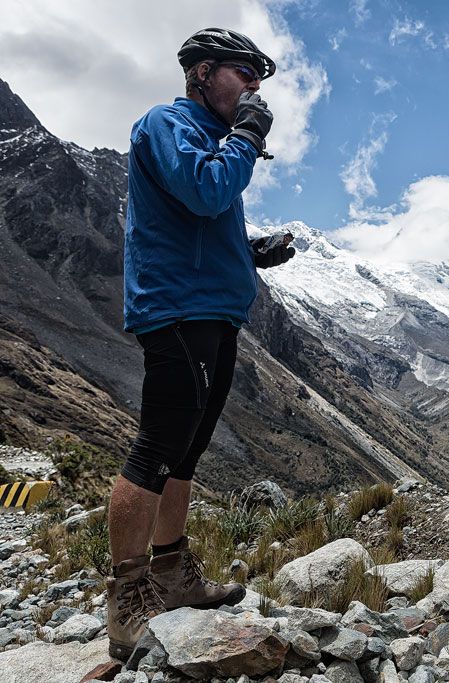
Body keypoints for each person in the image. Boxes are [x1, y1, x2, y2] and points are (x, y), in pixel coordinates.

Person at [107, 27, 295, 660]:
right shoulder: (168, 124)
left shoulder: (210, 139)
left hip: (211, 310)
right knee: (156, 449)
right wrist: (247, 135)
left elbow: (199, 221)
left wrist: (248, 252)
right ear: (203, 73)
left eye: (259, 78)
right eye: (244, 74)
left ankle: (172, 574)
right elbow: (204, 190)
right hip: (178, 311)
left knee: (185, 453)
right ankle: (127, 599)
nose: (254, 87)